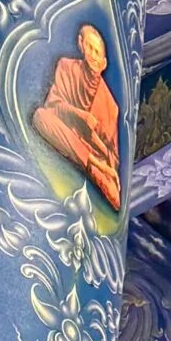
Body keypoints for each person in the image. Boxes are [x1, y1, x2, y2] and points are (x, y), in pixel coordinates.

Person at [33, 23, 122, 210]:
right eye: (89, 47)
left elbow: (112, 154)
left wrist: (96, 141)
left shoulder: (111, 106)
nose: (92, 55)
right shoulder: (66, 66)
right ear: (80, 45)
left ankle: (95, 165)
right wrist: (79, 115)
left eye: (97, 52)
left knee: (114, 195)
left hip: (93, 149)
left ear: (104, 62)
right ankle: (91, 163)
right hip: (65, 132)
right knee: (40, 116)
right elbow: (52, 105)